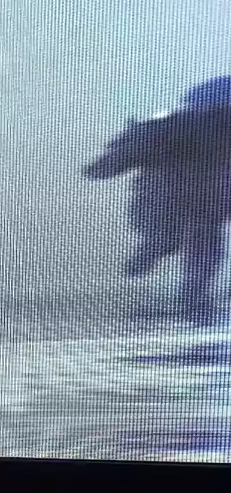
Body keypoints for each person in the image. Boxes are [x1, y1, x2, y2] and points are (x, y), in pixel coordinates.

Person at [85, 75, 231, 323]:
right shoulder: (177, 124)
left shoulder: (172, 123)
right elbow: (117, 157)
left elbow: (108, 163)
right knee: (192, 233)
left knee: (198, 232)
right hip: (172, 200)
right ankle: (170, 265)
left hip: (189, 199)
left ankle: (182, 280)